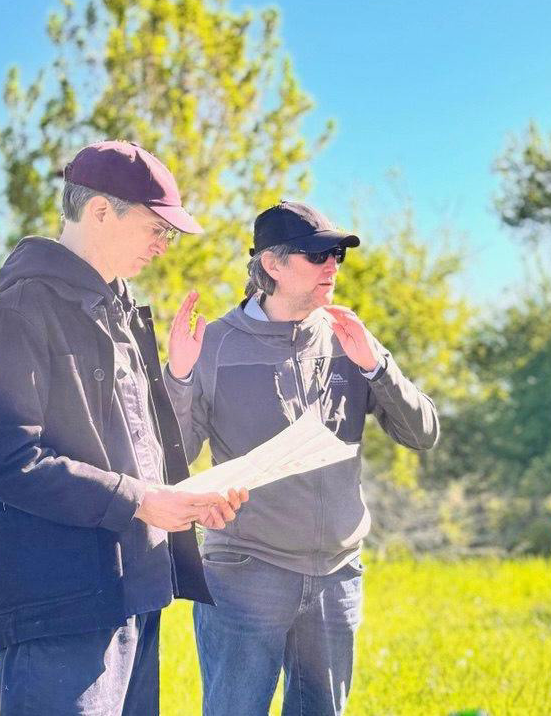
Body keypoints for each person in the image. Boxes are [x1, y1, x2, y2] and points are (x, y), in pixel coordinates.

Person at [0, 140, 248, 716]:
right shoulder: (12, 318)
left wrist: (181, 502)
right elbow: (3, 461)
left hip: (136, 592)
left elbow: (137, 456)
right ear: (100, 211)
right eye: (156, 228)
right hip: (61, 609)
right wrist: (140, 501)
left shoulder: (121, 319)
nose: (165, 245)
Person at [165, 200, 440, 716]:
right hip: (245, 574)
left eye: (337, 254)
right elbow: (171, 460)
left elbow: (422, 434)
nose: (332, 265)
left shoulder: (350, 337)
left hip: (337, 576)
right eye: (318, 255)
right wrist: (178, 378)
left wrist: (376, 367)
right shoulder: (215, 344)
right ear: (272, 264)